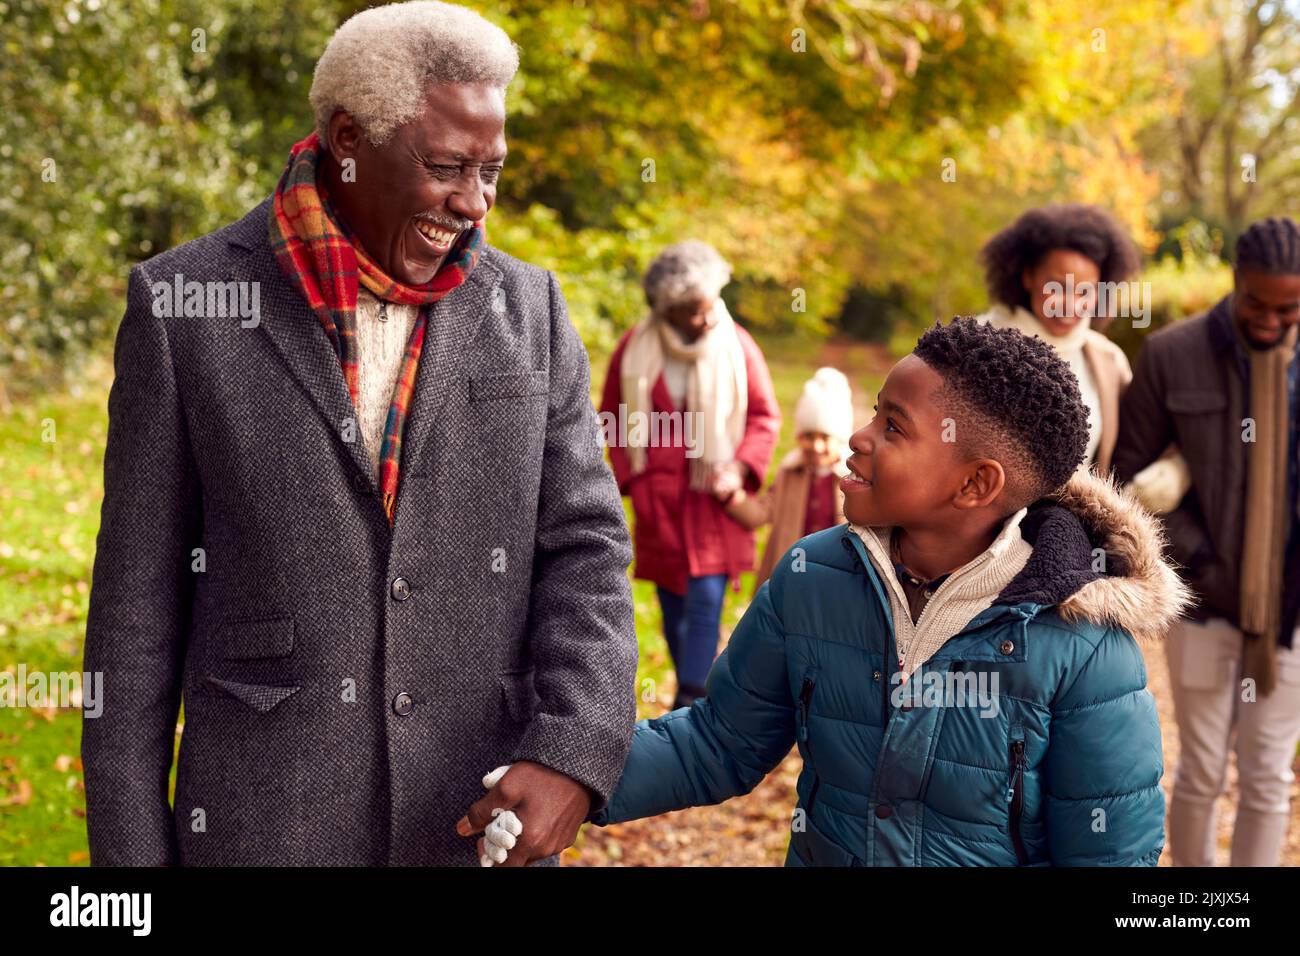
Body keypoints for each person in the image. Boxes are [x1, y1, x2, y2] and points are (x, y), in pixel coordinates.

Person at [81, 0, 637, 867]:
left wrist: (573, 751)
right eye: (448, 165)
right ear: (347, 138)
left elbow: (585, 549)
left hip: (473, 825)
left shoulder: (533, 310)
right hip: (259, 830)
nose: (475, 201)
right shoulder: (180, 307)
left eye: (492, 169)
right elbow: (133, 614)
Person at [568, 317, 1192, 866]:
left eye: (893, 427)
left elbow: (1111, 853)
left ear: (975, 485)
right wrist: (571, 773)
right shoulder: (812, 577)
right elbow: (718, 741)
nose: (859, 436)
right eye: (874, 411)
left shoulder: (1083, 644)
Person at [1114, 215, 1300, 867]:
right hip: (1200, 602)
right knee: (1199, 771)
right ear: (1235, 281)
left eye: (1291, 308)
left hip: (1290, 616)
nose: (1273, 321)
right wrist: (1205, 565)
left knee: (1270, 776)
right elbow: (1125, 482)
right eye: (1259, 303)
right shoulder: (1172, 354)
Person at [598, 241, 779, 710]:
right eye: (692, 312)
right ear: (667, 310)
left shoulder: (737, 345)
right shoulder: (633, 348)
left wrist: (740, 467)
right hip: (659, 505)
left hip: (712, 501)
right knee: (673, 607)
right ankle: (690, 685)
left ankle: (693, 697)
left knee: (704, 598)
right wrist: (633, 481)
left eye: (707, 307)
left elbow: (763, 416)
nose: (704, 320)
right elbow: (611, 418)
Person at [977, 203, 1142, 474]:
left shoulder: (1108, 362)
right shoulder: (975, 342)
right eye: (1059, 288)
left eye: (1085, 292)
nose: (1070, 305)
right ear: (1028, 276)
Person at [725, 367, 854, 593]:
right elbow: (763, 511)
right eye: (808, 436)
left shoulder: (850, 479)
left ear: (840, 439)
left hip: (834, 577)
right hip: (793, 572)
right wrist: (733, 497)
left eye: (825, 437)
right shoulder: (790, 473)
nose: (816, 446)